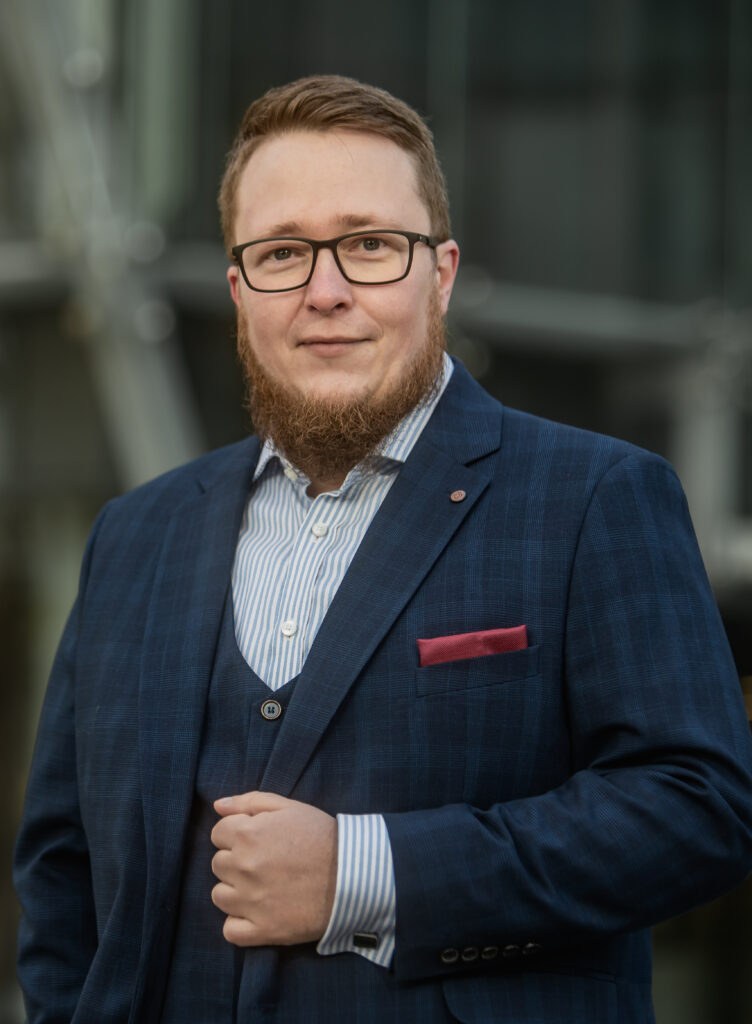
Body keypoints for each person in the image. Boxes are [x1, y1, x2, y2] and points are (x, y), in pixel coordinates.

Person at [14, 74, 752, 1024]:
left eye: (368, 245)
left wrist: (366, 875)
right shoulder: (135, 534)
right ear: (239, 292)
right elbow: (62, 867)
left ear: (440, 273)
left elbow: (699, 809)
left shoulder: (596, 496)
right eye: (283, 253)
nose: (324, 292)